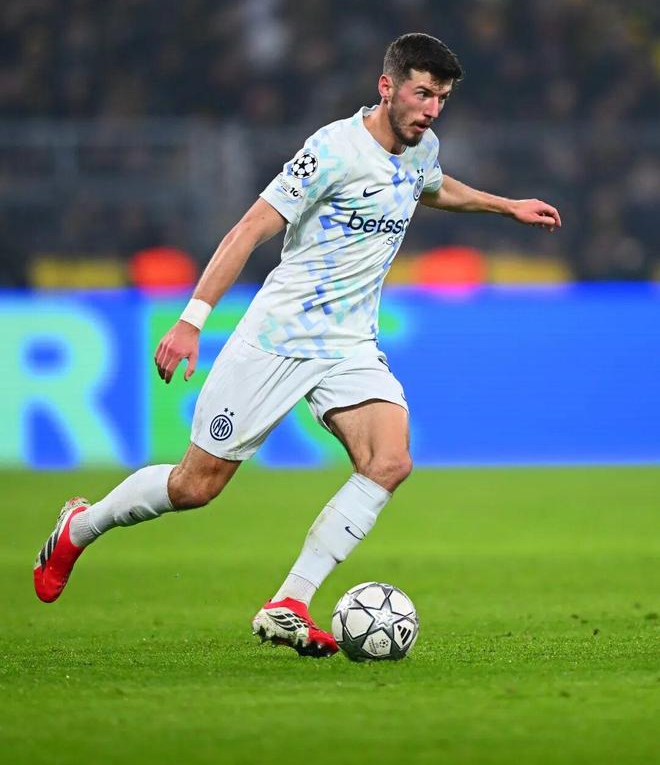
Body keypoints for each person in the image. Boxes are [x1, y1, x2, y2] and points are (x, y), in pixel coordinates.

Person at [33, 33, 561, 657]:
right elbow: (248, 229)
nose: (432, 110)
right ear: (387, 86)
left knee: (389, 461)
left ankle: (288, 603)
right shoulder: (331, 150)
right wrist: (192, 319)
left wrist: (506, 207)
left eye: (441, 99)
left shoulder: (423, 149)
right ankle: (81, 526)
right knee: (196, 486)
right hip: (278, 338)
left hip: (349, 344)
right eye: (422, 94)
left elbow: (434, 186)